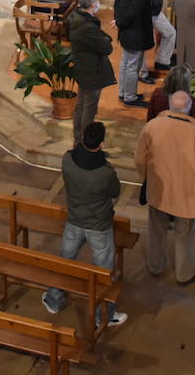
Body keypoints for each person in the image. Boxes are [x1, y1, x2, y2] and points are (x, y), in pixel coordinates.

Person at [40, 122, 128, 327]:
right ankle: (103, 316)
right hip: (98, 225)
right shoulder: (105, 172)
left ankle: (54, 300)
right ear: (102, 143)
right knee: (104, 271)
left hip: (74, 220)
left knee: (65, 261)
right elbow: (115, 192)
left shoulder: (68, 159)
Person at [136, 91, 195, 285]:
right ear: (188, 109)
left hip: (158, 189)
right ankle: (184, 274)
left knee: (155, 230)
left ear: (170, 106)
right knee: (184, 235)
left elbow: (140, 159)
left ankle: (155, 266)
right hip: (186, 194)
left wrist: (148, 178)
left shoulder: (152, 126)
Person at [67, 0, 115, 145]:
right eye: (98, 1)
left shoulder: (76, 17)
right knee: (89, 108)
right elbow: (107, 48)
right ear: (93, 4)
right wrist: (105, 39)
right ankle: (85, 143)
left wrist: (103, 38)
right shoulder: (87, 27)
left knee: (81, 106)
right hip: (91, 71)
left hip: (83, 67)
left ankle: (78, 139)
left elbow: (101, 38)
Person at [113, 0, 159, 108]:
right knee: (133, 65)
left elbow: (117, 0)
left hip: (127, 30)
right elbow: (134, 10)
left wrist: (119, 21)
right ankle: (130, 97)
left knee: (125, 62)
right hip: (135, 32)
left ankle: (123, 92)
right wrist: (120, 22)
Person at [147, 0, 177, 79]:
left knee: (170, 33)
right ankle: (142, 73)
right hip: (148, 14)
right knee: (144, 46)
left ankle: (162, 61)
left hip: (156, 12)